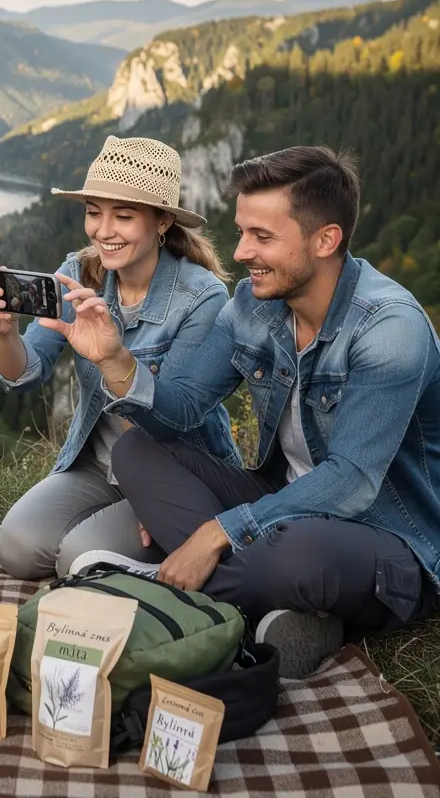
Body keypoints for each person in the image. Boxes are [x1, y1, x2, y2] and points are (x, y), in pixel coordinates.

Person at [51, 145, 440, 679]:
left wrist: (217, 533)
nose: (239, 253)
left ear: (325, 239)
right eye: (241, 232)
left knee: (296, 554)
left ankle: (144, 585)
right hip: (281, 507)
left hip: (386, 538)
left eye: (262, 237)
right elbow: (181, 409)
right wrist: (117, 361)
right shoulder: (254, 306)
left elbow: (350, 482)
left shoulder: (388, 329)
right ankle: (276, 612)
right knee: (137, 449)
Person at [0, 135, 235, 579]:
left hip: (168, 469)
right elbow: (26, 371)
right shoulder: (78, 272)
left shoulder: (202, 297)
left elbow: (175, 418)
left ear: (162, 222)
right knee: (17, 548)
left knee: (77, 560)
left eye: (124, 215)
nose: (103, 231)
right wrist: (6, 334)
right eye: (93, 213)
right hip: (97, 464)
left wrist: (155, 497)